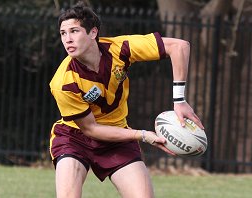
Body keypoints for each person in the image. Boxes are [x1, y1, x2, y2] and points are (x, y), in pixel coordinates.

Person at [49, 1, 204, 197]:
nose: (67, 39)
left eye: (74, 31)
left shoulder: (119, 49)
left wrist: (179, 100)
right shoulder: (63, 81)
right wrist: (143, 135)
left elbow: (179, 46)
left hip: (117, 135)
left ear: (93, 32)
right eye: (63, 33)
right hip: (74, 137)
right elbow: (91, 129)